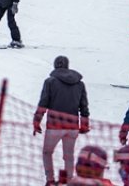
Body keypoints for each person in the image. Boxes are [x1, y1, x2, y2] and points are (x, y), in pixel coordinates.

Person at [33, 56, 90, 184]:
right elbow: (84, 106)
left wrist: (36, 121)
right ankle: (68, 180)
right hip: (72, 127)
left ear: (55, 66)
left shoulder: (50, 82)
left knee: (47, 153)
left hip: (54, 126)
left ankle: (50, 180)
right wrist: (84, 125)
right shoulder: (79, 84)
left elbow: (43, 103)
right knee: (68, 156)